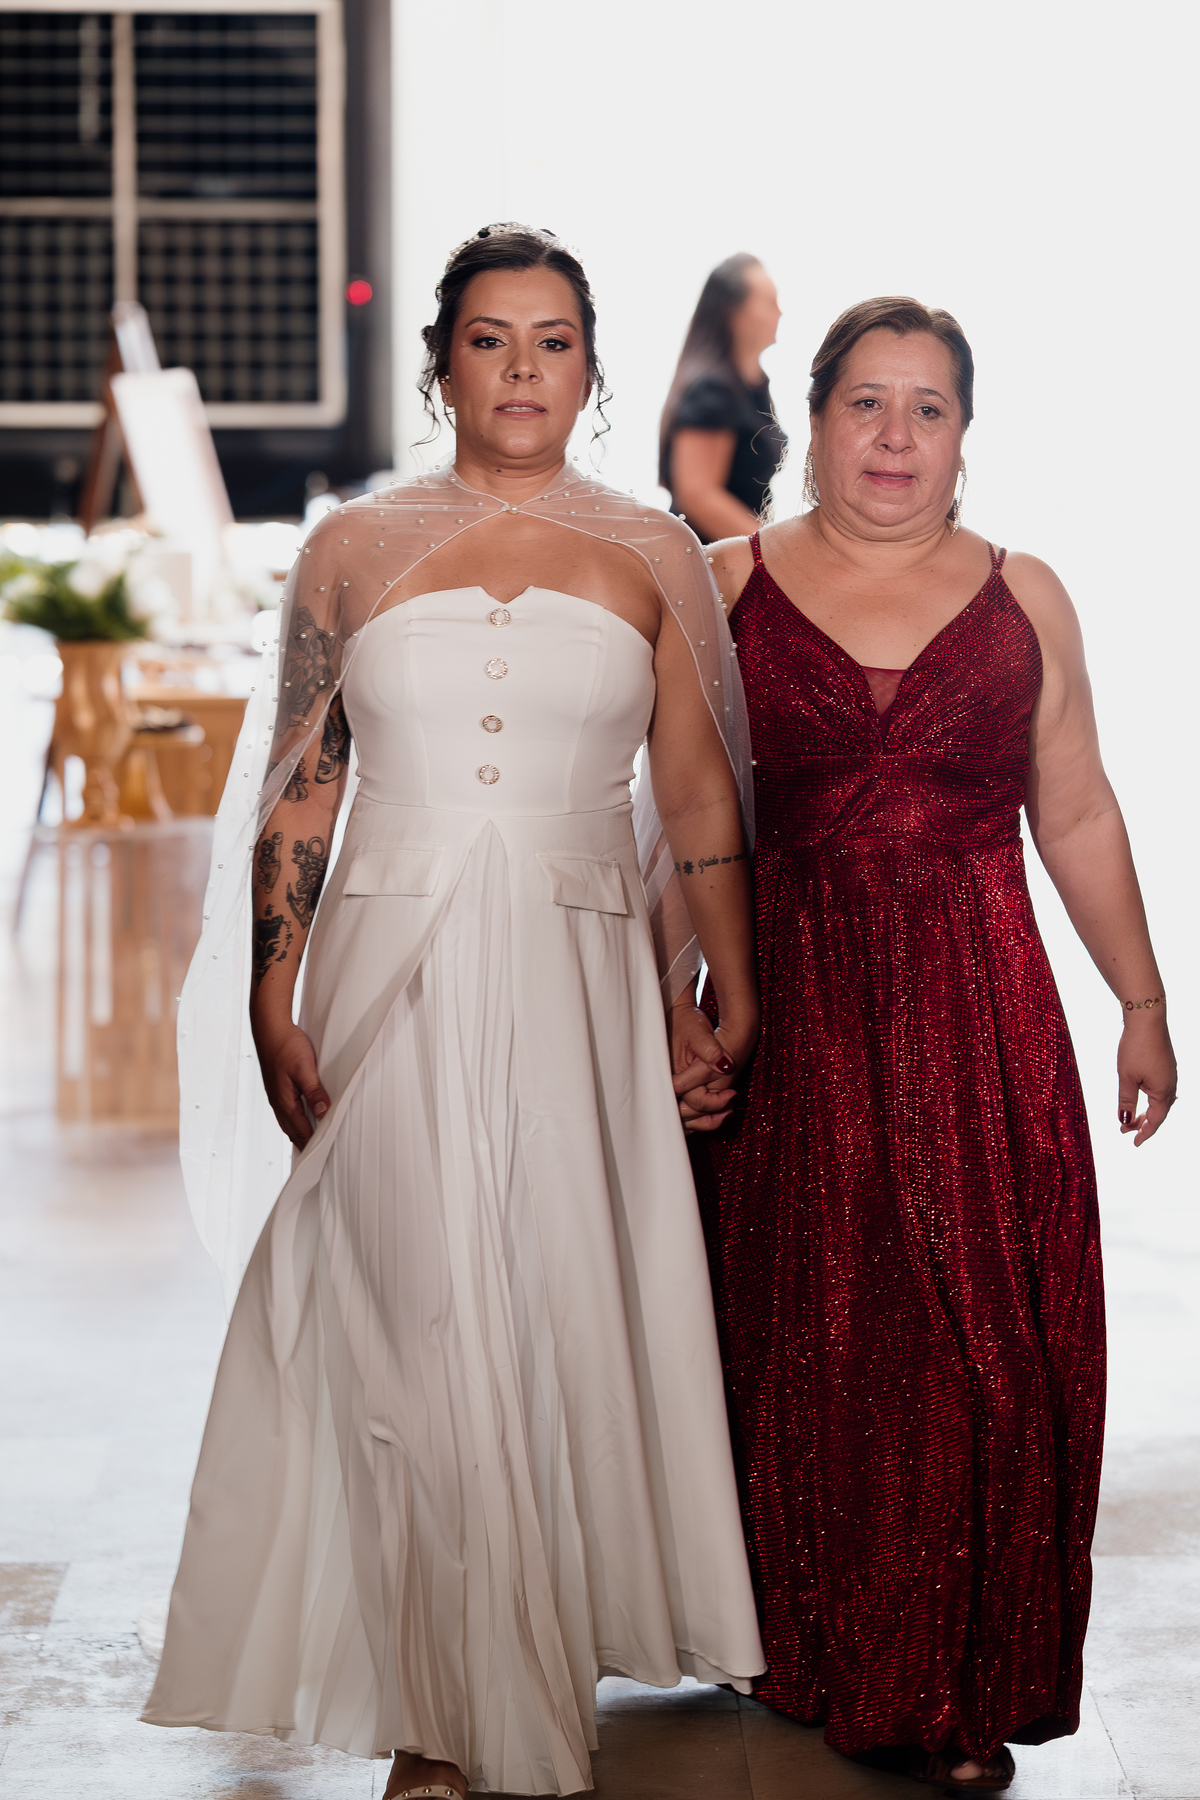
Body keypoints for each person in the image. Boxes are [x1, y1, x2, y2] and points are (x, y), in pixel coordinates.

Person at [142, 225, 765, 1799]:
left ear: (594, 369)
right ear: (442, 364)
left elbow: (698, 798)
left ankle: (522, 1663)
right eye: (491, 339)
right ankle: (438, 1708)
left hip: (579, 978)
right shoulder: (351, 549)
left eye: (554, 341)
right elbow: (303, 786)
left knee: (546, 1306)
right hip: (385, 968)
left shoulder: (654, 552)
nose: (522, 369)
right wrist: (273, 992)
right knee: (412, 1318)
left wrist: (722, 990)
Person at [678, 296, 1177, 1791]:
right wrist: (670, 1007)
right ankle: (817, 1647)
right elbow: (674, 826)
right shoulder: (721, 586)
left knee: (986, 1349)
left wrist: (1142, 1000)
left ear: (965, 436)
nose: (895, 437)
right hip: (793, 1010)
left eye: (929, 409)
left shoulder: (1028, 596)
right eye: (866, 403)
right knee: (814, 1343)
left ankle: (961, 1673)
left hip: (979, 1013)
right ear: (813, 418)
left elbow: (1075, 808)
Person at [660, 253, 788, 543]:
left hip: (738, 551)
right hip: (707, 558)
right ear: (733, 313)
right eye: (769, 302)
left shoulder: (754, 386)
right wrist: (774, 552)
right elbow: (698, 496)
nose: (780, 312)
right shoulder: (712, 390)